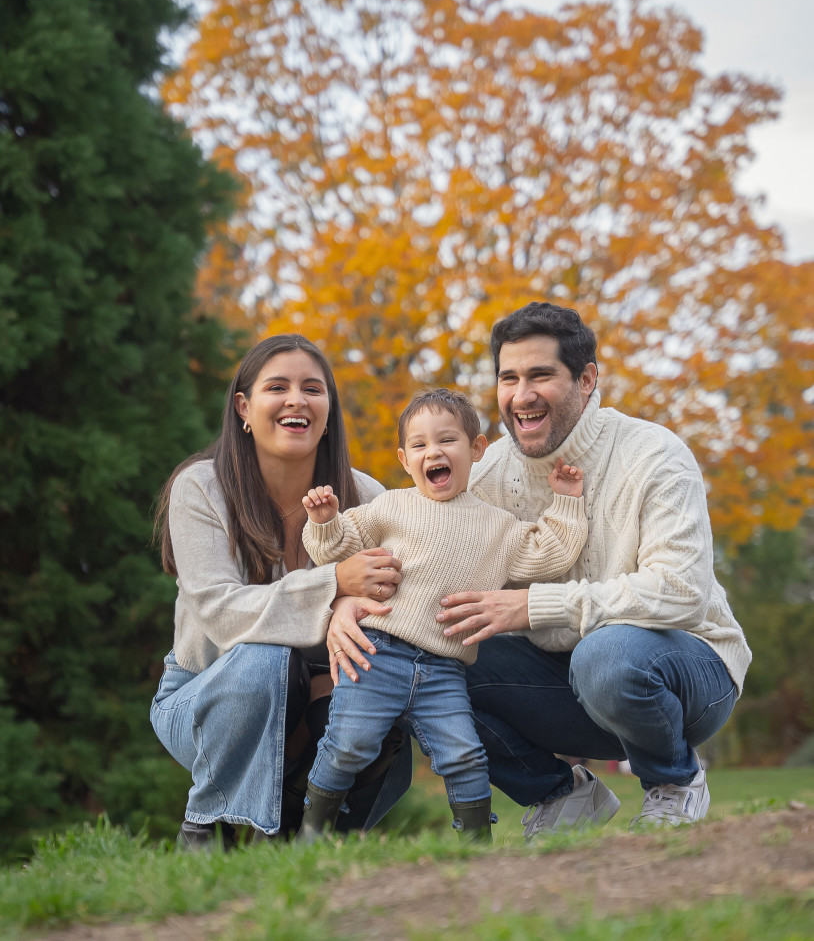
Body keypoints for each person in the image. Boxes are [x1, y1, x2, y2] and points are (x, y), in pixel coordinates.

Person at [431, 302, 752, 836]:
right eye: (508, 378)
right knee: (430, 662)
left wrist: (535, 606)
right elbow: (418, 538)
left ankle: (674, 781)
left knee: (605, 654)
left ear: (586, 379)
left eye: (540, 375)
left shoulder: (654, 455)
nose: (521, 395)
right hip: (568, 684)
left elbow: (681, 591)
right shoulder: (486, 477)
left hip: (684, 672)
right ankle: (561, 796)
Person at [149, 334, 409, 849]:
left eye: (313, 389)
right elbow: (222, 614)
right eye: (278, 387)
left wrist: (349, 606)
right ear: (244, 407)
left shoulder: (368, 498)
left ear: (328, 410)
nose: (297, 400)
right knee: (268, 662)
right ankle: (204, 828)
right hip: (204, 693)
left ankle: (307, 834)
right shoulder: (201, 488)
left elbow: (397, 604)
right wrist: (333, 584)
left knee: (378, 685)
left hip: (326, 682)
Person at [297, 388, 588, 842]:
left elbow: (549, 554)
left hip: (444, 670)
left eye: (447, 440)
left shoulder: (497, 526)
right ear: (405, 459)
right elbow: (336, 550)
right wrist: (325, 521)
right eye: (419, 445)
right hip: (377, 654)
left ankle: (475, 844)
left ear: (475, 450)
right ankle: (312, 833)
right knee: (347, 745)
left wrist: (567, 501)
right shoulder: (390, 506)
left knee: (465, 754)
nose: (433, 451)